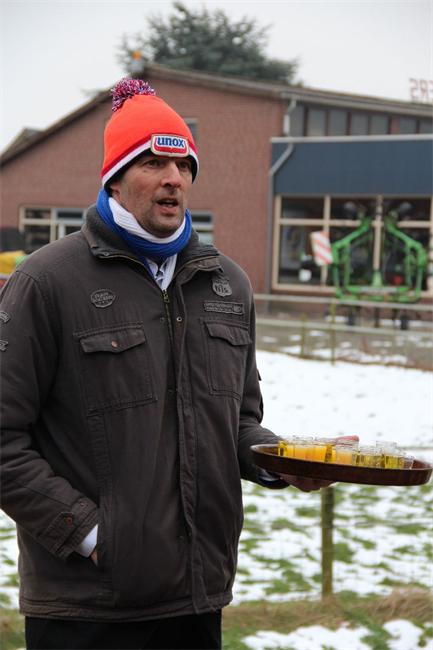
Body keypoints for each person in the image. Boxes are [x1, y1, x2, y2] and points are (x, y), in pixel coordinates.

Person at [0, 78, 330, 650]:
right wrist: (91, 535)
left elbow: (236, 421)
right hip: (86, 608)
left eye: (183, 165)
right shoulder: (46, 281)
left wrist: (284, 461)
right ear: (115, 177)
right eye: (152, 162)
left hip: (197, 596)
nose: (173, 177)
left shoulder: (227, 284)